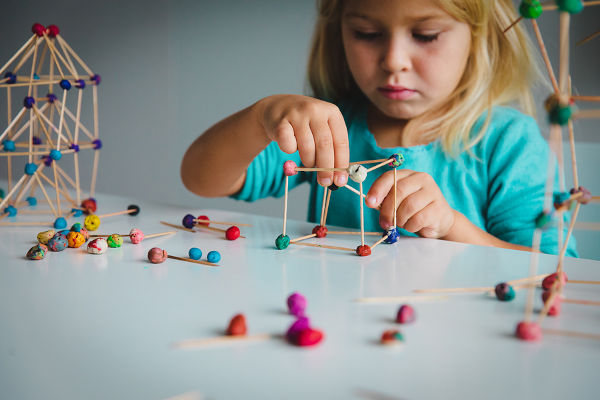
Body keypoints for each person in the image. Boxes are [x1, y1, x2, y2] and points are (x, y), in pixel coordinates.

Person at [181, 0, 577, 256]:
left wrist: (451, 225)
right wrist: (259, 117)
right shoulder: (331, 127)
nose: (394, 60)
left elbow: (551, 271)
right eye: (367, 34)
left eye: (426, 35)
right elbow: (201, 179)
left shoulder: (509, 143)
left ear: (479, 38)